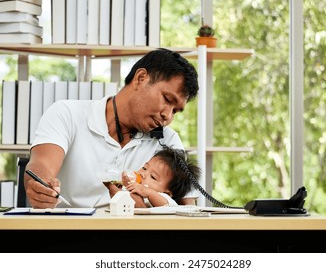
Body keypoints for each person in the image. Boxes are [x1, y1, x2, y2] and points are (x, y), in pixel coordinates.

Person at [24, 48, 199, 209]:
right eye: (167, 99)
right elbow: (41, 165)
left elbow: (188, 211)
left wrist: (142, 209)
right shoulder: (67, 113)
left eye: (175, 111)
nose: (168, 116)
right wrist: (41, 186)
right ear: (141, 78)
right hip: (69, 232)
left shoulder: (167, 140)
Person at [104, 146, 201, 208]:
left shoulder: (163, 197)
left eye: (153, 177)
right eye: (144, 168)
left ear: (167, 192)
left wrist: (149, 193)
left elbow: (166, 205)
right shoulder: (135, 189)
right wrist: (118, 194)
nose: (143, 174)